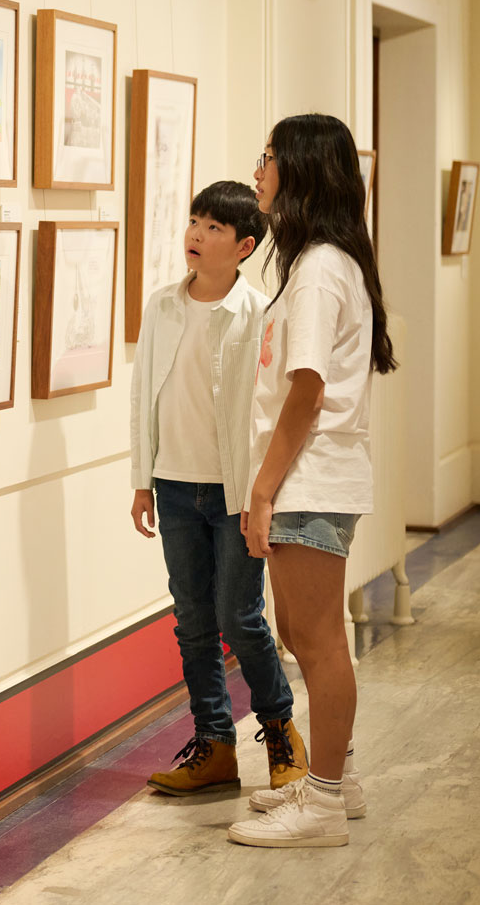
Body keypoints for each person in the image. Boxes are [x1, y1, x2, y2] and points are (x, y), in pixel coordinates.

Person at [227, 113, 396, 849]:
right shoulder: (316, 262)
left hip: (309, 477)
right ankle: (336, 777)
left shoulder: (323, 266)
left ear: (301, 171)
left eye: (268, 158)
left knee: (320, 641)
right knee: (301, 630)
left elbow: (305, 389)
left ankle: (324, 804)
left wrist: (263, 490)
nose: (258, 170)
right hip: (309, 476)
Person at [131, 181, 308, 800]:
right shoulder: (161, 307)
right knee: (192, 621)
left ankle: (282, 732)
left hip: (233, 494)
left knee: (241, 617)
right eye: (194, 222)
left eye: (212, 228)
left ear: (244, 245)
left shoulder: (259, 314)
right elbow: (142, 400)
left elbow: (269, 410)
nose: (196, 236)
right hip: (174, 487)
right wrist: (141, 480)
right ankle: (214, 746)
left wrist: (263, 493)